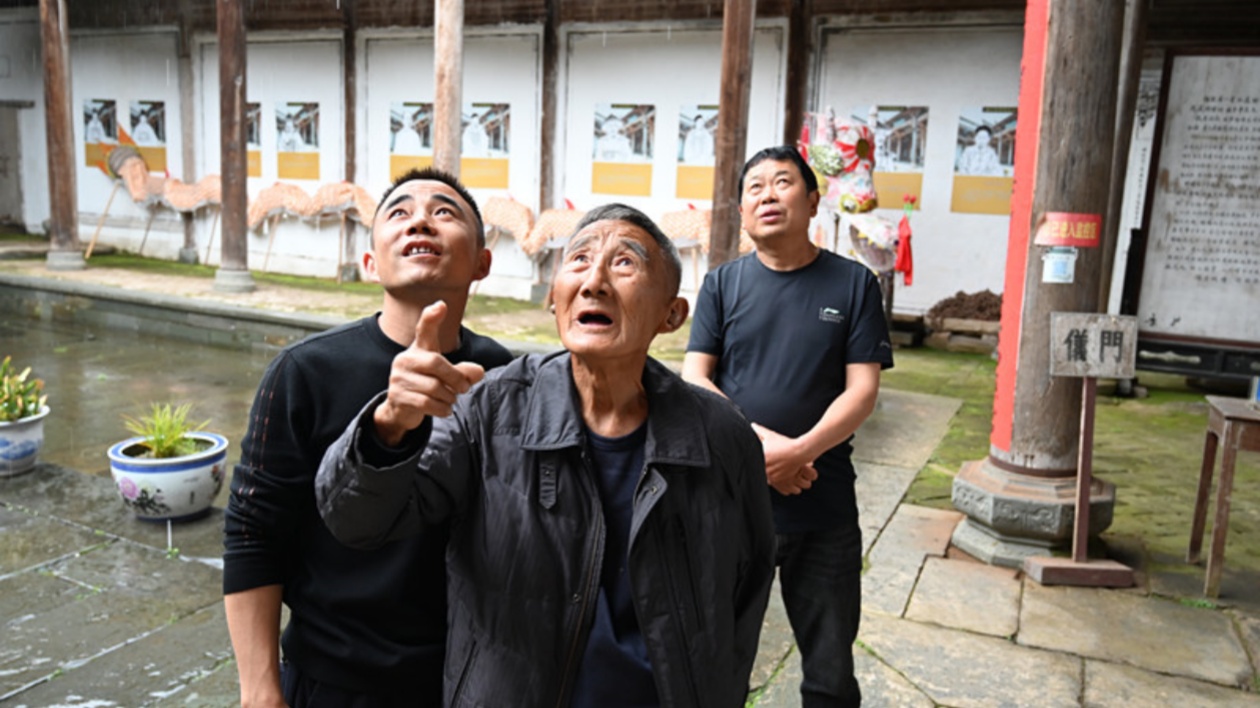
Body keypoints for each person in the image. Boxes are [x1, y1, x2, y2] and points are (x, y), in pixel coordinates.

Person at [315, 203, 777, 707]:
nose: (594, 280)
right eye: (578, 260)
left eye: (625, 263)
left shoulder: (721, 435)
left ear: (672, 314)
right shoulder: (487, 409)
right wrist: (390, 425)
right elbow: (355, 520)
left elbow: (747, 586)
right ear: (554, 301)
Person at [223, 167, 515, 708]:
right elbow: (254, 531)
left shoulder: (502, 377)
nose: (421, 220)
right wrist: (260, 691)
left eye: (445, 212)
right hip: (337, 680)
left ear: (482, 262)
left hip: (469, 679)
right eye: (399, 213)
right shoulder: (305, 372)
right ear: (370, 262)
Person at [682, 145, 894, 707]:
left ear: (813, 201)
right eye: (754, 188)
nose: (767, 195)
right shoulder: (723, 284)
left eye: (782, 183)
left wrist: (801, 451)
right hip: (733, 503)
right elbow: (696, 377)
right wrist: (762, 451)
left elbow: (863, 389)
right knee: (718, 657)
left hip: (823, 505)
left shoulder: (853, 284)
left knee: (829, 670)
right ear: (743, 211)